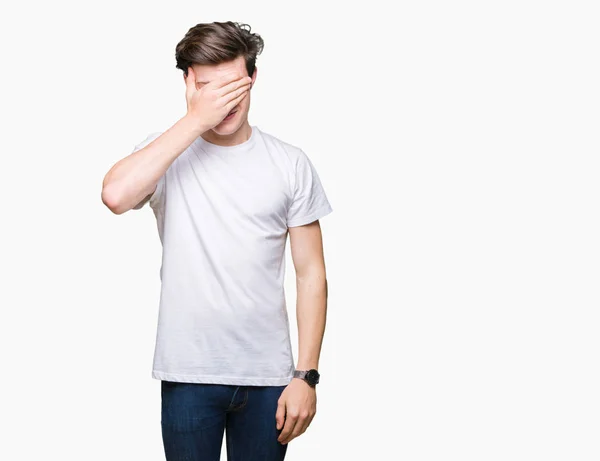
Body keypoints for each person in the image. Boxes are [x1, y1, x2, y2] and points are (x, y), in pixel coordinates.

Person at [101, 21, 332, 461]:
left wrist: (306, 375)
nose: (222, 102)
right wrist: (195, 120)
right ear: (188, 82)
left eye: (232, 86)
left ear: (254, 79)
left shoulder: (289, 162)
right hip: (189, 372)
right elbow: (115, 196)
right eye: (207, 86)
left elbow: (311, 274)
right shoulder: (165, 152)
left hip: (270, 377)